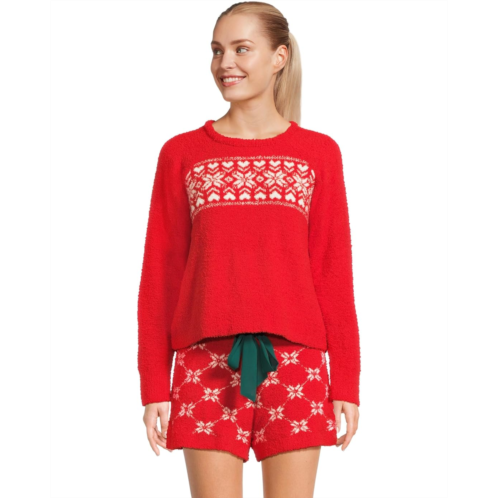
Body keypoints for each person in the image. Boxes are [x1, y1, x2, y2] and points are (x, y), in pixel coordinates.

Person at [138, 2, 361, 497]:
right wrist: (154, 383)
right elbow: (161, 275)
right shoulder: (182, 154)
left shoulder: (318, 154)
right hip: (203, 362)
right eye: (217, 50)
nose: (225, 63)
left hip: (297, 360)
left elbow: (332, 272)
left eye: (242, 49)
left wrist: (346, 381)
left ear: (279, 57)